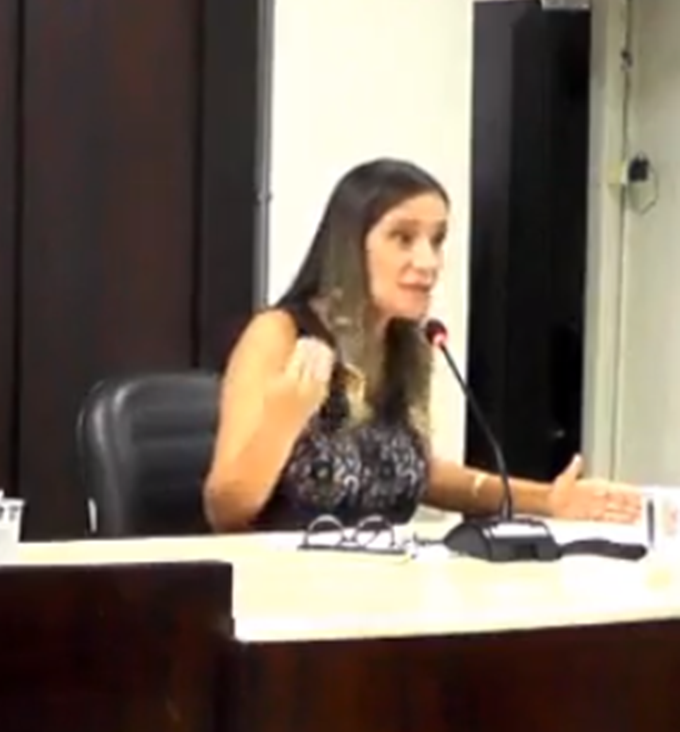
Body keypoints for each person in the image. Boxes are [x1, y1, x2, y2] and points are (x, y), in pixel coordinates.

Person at [203, 158, 642, 533]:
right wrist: (282, 421)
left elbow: (416, 472)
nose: (428, 261)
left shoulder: (409, 345)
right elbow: (225, 511)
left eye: (437, 240)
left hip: (382, 584)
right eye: (403, 238)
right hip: (285, 589)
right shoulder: (279, 335)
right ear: (351, 245)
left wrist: (546, 501)